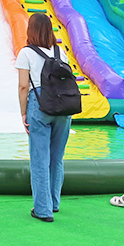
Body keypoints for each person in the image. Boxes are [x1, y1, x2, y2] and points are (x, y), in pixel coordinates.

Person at [15, 13, 73, 222]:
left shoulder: (26, 53)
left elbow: (23, 87)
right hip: (63, 110)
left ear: (31, 31)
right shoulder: (60, 52)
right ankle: (54, 202)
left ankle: (43, 210)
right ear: (49, 30)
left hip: (39, 107)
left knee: (40, 160)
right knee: (56, 159)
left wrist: (23, 113)